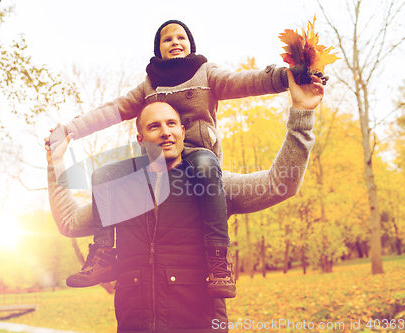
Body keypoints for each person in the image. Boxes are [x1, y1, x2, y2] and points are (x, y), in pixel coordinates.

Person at [46, 70, 324, 333]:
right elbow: (69, 222)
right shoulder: (120, 191)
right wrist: (54, 165)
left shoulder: (212, 184)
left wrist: (302, 113)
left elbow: (280, 184)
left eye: (171, 124)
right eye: (154, 126)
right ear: (140, 140)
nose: (165, 132)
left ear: (182, 131)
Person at [48, 19, 294, 297]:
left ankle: (217, 260)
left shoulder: (206, 73)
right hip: (155, 159)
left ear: (190, 45)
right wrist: (70, 130)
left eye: (181, 37)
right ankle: (104, 254)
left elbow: (244, 81)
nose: (175, 42)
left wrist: (285, 77)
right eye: (167, 39)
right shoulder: (149, 85)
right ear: (158, 49)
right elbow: (114, 109)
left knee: (207, 166)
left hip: (198, 155)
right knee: (103, 175)